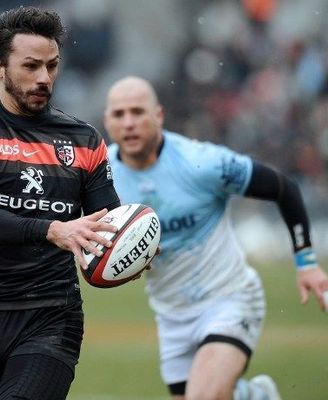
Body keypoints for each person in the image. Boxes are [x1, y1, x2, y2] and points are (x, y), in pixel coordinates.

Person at [104, 76, 328, 400]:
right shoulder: (101, 175)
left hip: (229, 299)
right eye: (119, 114)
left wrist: (306, 262)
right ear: (107, 121)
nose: (129, 123)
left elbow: (285, 188)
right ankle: (253, 395)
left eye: (138, 112)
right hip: (171, 315)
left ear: (159, 115)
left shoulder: (202, 163)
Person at [0, 6, 122, 400]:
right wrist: (53, 230)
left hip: (52, 314)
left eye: (52, 66)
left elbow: (107, 222)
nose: (44, 78)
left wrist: (127, 247)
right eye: (31, 66)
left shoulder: (83, 139)